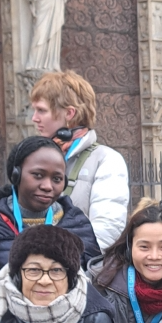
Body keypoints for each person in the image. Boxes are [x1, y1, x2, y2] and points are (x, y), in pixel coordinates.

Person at [29, 70, 130, 252]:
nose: (34, 118)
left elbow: (106, 233)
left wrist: (57, 260)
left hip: (79, 271)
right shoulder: (33, 160)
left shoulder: (106, 161)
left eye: (41, 110)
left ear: (69, 113)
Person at [0, 136, 99, 275]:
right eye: (37, 175)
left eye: (57, 179)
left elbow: (94, 284)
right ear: (16, 175)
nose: (47, 186)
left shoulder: (78, 224)